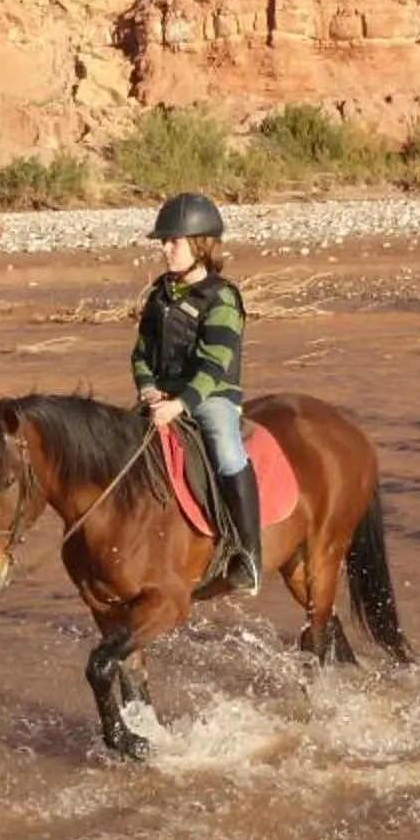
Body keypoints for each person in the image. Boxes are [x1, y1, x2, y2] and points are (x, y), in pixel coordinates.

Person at [131, 190, 257, 596]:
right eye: (164, 242)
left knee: (226, 449)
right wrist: (149, 390)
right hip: (162, 398)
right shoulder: (159, 297)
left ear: (200, 245)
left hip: (211, 398)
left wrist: (181, 404)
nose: (166, 249)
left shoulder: (222, 298)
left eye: (174, 241)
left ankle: (248, 555)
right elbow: (140, 354)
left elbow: (213, 365)